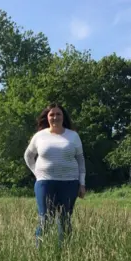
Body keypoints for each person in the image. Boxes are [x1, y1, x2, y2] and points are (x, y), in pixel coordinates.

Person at [24, 102, 86, 247]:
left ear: (63, 117)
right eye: (52, 114)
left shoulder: (73, 136)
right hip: (45, 183)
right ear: (47, 117)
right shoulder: (39, 136)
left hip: (70, 183)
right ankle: (38, 251)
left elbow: (81, 161)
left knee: (65, 219)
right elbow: (28, 156)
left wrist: (82, 183)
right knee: (45, 218)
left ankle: (64, 252)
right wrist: (37, 173)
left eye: (58, 114)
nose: (55, 117)